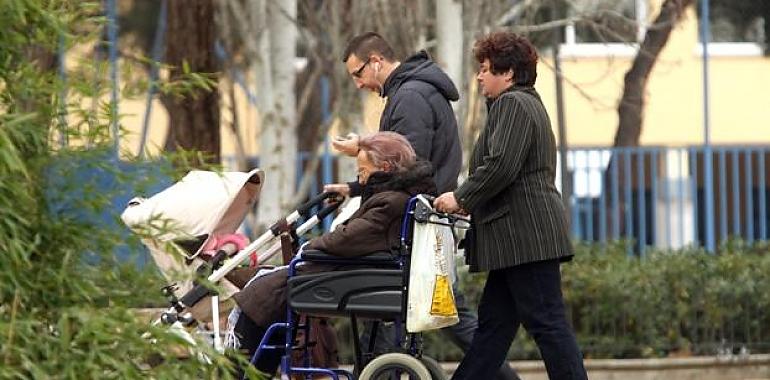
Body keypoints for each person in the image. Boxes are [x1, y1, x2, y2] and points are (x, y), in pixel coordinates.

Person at [330, 32, 521, 380]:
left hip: (417, 226)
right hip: (424, 221)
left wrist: (363, 146)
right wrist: (355, 186)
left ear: (376, 61)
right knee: (441, 313)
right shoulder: (413, 93)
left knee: (417, 312)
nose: (357, 84)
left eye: (357, 73)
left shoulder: (410, 98)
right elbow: (399, 166)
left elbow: (404, 167)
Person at [433, 31, 589, 380]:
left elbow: (502, 165)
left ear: (508, 73)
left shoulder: (513, 103)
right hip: (515, 239)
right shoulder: (521, 103)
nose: (479, 76)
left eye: (486, 69)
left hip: (524, 237)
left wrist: (460, 198)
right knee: (493, 330)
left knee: (547, 324)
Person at [229, 132, 436, 377]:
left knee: (265, 294)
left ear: (386, 167)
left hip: (352, 274)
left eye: (362, 171)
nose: (361, 178)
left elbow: (347, 238)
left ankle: (238, 371)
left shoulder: (389, 202)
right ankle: (252, 364)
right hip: (361, 270)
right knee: (267, 285)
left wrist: (312, 246)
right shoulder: (400, 198)